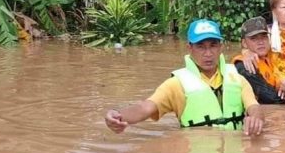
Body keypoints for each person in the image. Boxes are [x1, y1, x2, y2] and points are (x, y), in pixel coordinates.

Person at [105, 19, 264, 136]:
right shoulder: (176, 84)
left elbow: (254, 107)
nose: (208, 53)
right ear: (190, 48)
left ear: (220, 47)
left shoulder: (237, 78)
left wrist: (256, 118)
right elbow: (145, 108)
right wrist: (117, 115)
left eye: (213, 45)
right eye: (200, 46)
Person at [233, 16, 285, 110]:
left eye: (264, 37)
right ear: (244, 43)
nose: (261, 42)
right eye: (254, 38)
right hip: (265, 115)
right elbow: (270, 98)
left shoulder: (274, 55)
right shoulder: (244, 65)